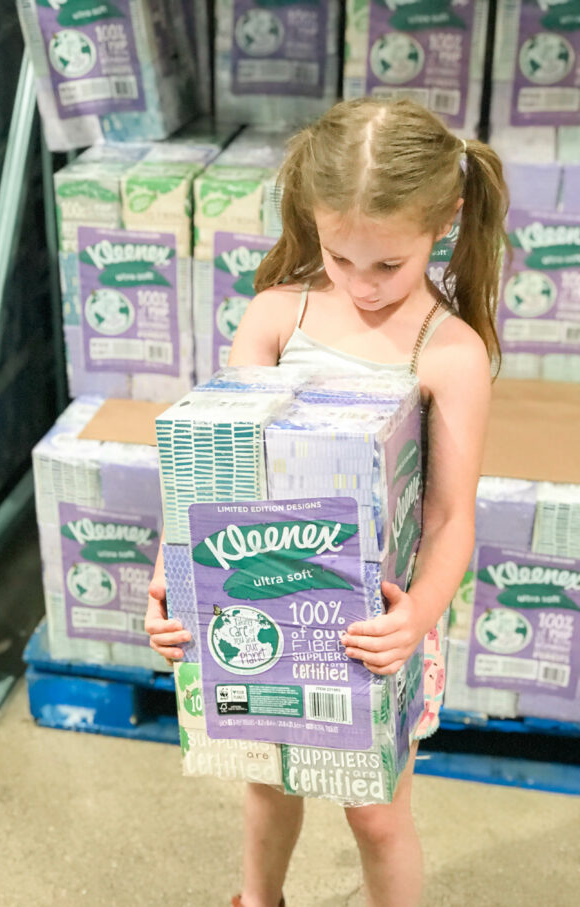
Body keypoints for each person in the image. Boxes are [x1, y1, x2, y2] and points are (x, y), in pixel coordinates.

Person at [145, 97, 508, 907]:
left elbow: (451, 515)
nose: (363, 285)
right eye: (342, 258)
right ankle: (256, 899)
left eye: (390, 265)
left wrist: (414, 618)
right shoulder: (277, 316)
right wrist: (171, 578)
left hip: (379, 624)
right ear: (312, 221)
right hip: (263, 600)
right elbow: (216, 467)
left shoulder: (448, 352)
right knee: (268, 783)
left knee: (377, 816)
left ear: (446, 222)